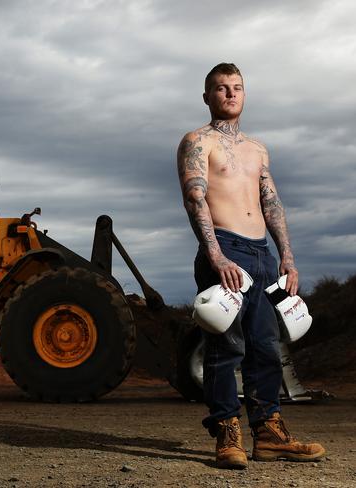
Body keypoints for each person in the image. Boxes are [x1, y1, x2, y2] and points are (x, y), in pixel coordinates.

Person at [177, 63, 325, 469]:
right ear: (207, 96)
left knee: (265, 348)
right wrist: (215, 254)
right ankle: (227, 432)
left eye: (237, 87)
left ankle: (269, 434)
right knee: (227, 347)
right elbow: (195, 198)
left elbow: (271, 203)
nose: (230, 94)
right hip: (224, 249)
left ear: (245, 94)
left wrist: (287, 257)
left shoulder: (258, 149)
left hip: (262, 254)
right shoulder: (196, 141)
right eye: (221, 88)